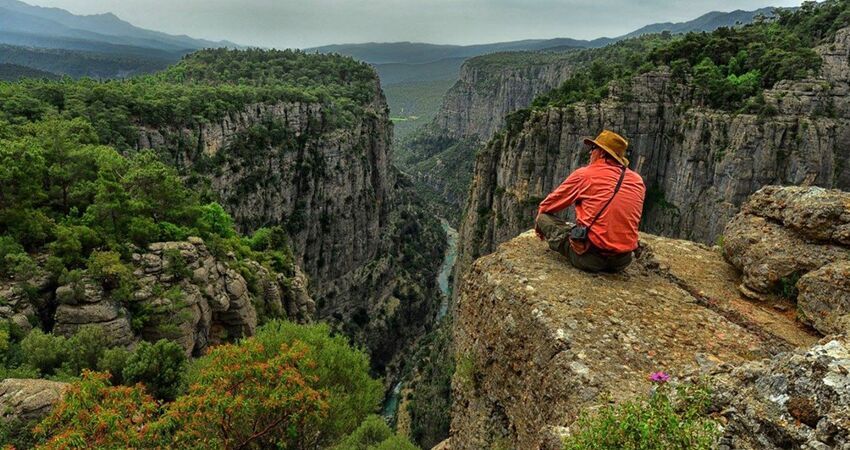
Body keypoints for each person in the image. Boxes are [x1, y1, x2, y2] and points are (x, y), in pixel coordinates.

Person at [534, 130, 646, 273]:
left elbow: (548, 205)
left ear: (602, 153)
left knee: (544, 218)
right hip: (622, 261)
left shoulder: (585, 175)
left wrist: (539, 223)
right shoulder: (637, 180)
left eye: (593, 148)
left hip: (589, 259)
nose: (589, 153)